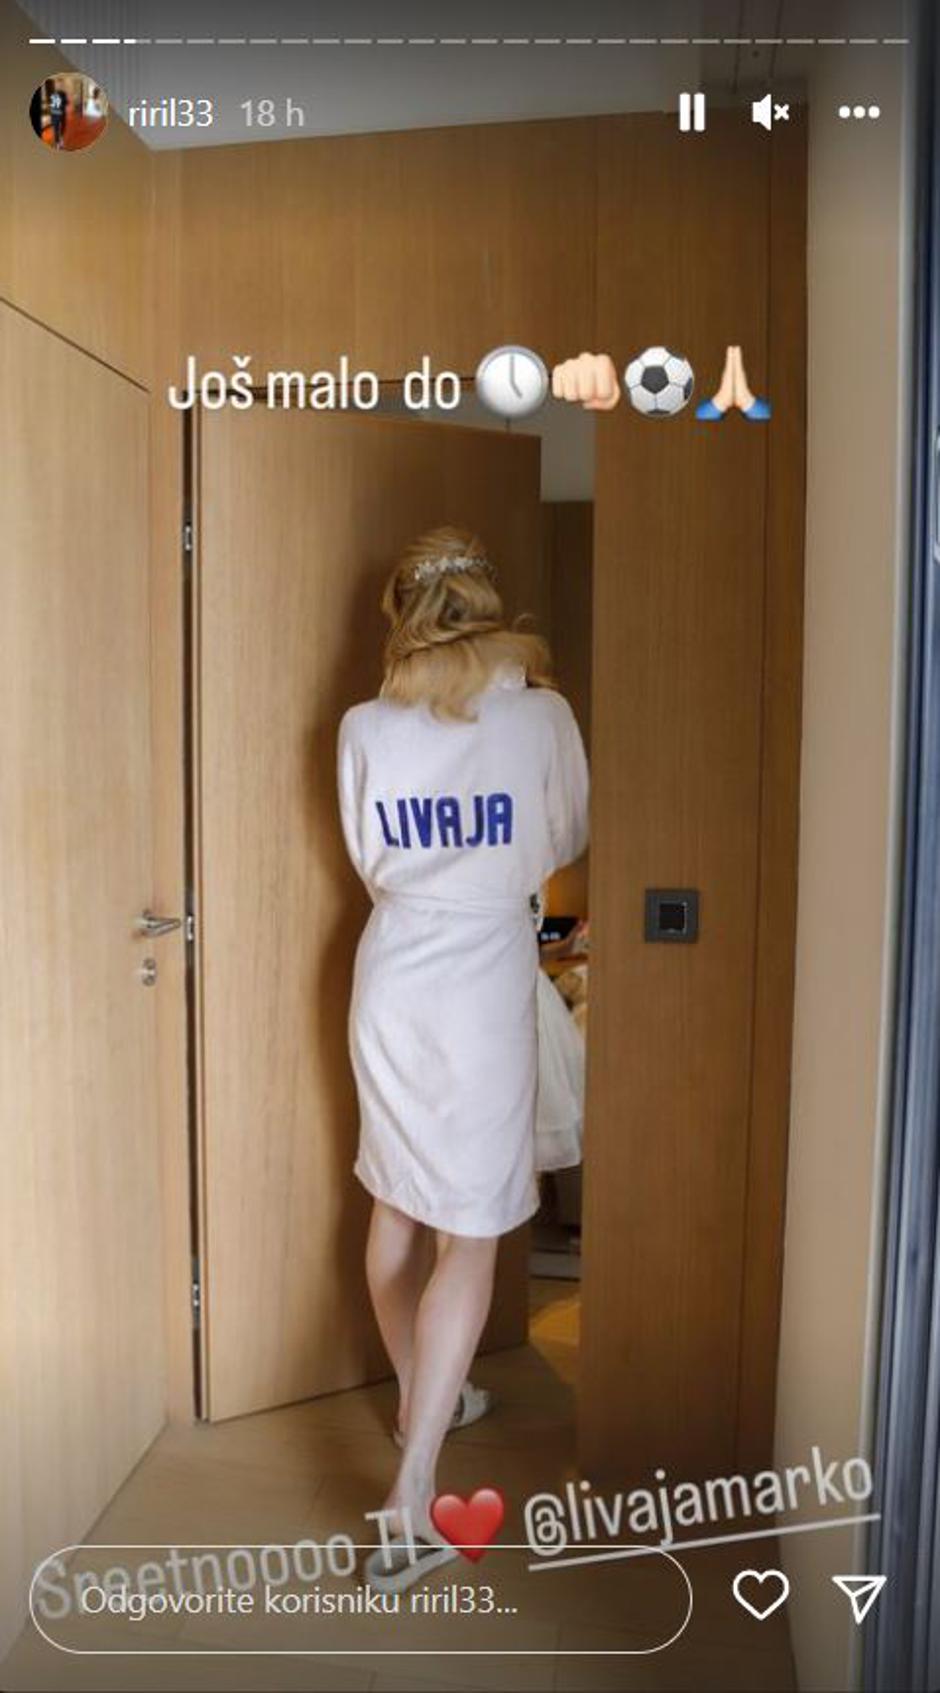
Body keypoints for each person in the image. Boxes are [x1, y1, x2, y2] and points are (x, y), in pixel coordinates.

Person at [336, 526, 589, 1590]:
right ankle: (412, 1497)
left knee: (396, 1208)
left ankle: (427, 1406)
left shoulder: (364, 726)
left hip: (394, 973)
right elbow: (564, 836)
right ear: (488, 602)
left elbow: (367, 854)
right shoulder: (541, 717)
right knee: (471, 1235)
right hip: (483, 979)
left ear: (402, 613)